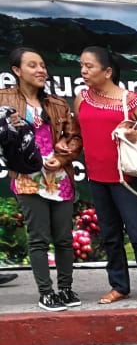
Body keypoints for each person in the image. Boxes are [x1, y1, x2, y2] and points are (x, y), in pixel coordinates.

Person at [74, 45, 137, 307]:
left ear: (107, 71)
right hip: (97, 178)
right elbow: (78, 134)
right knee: (110, 236)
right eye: (82, 65)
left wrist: (134, 134)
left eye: (89, 66)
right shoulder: (82, 98)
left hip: (126, 179)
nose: (83, 71)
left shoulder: (130, 100)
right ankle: (119, 286)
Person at [0, 48, 82, 310]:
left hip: (59, 178)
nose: (41, 70)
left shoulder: (57, 104)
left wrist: (62, 157)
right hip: (27, 178)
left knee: (64, 238)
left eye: (43, 65)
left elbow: (75, 138)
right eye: (33, 65)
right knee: (38, 237)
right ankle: (46, 292)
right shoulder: (3, 99)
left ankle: (66, 289)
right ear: (16, 71)